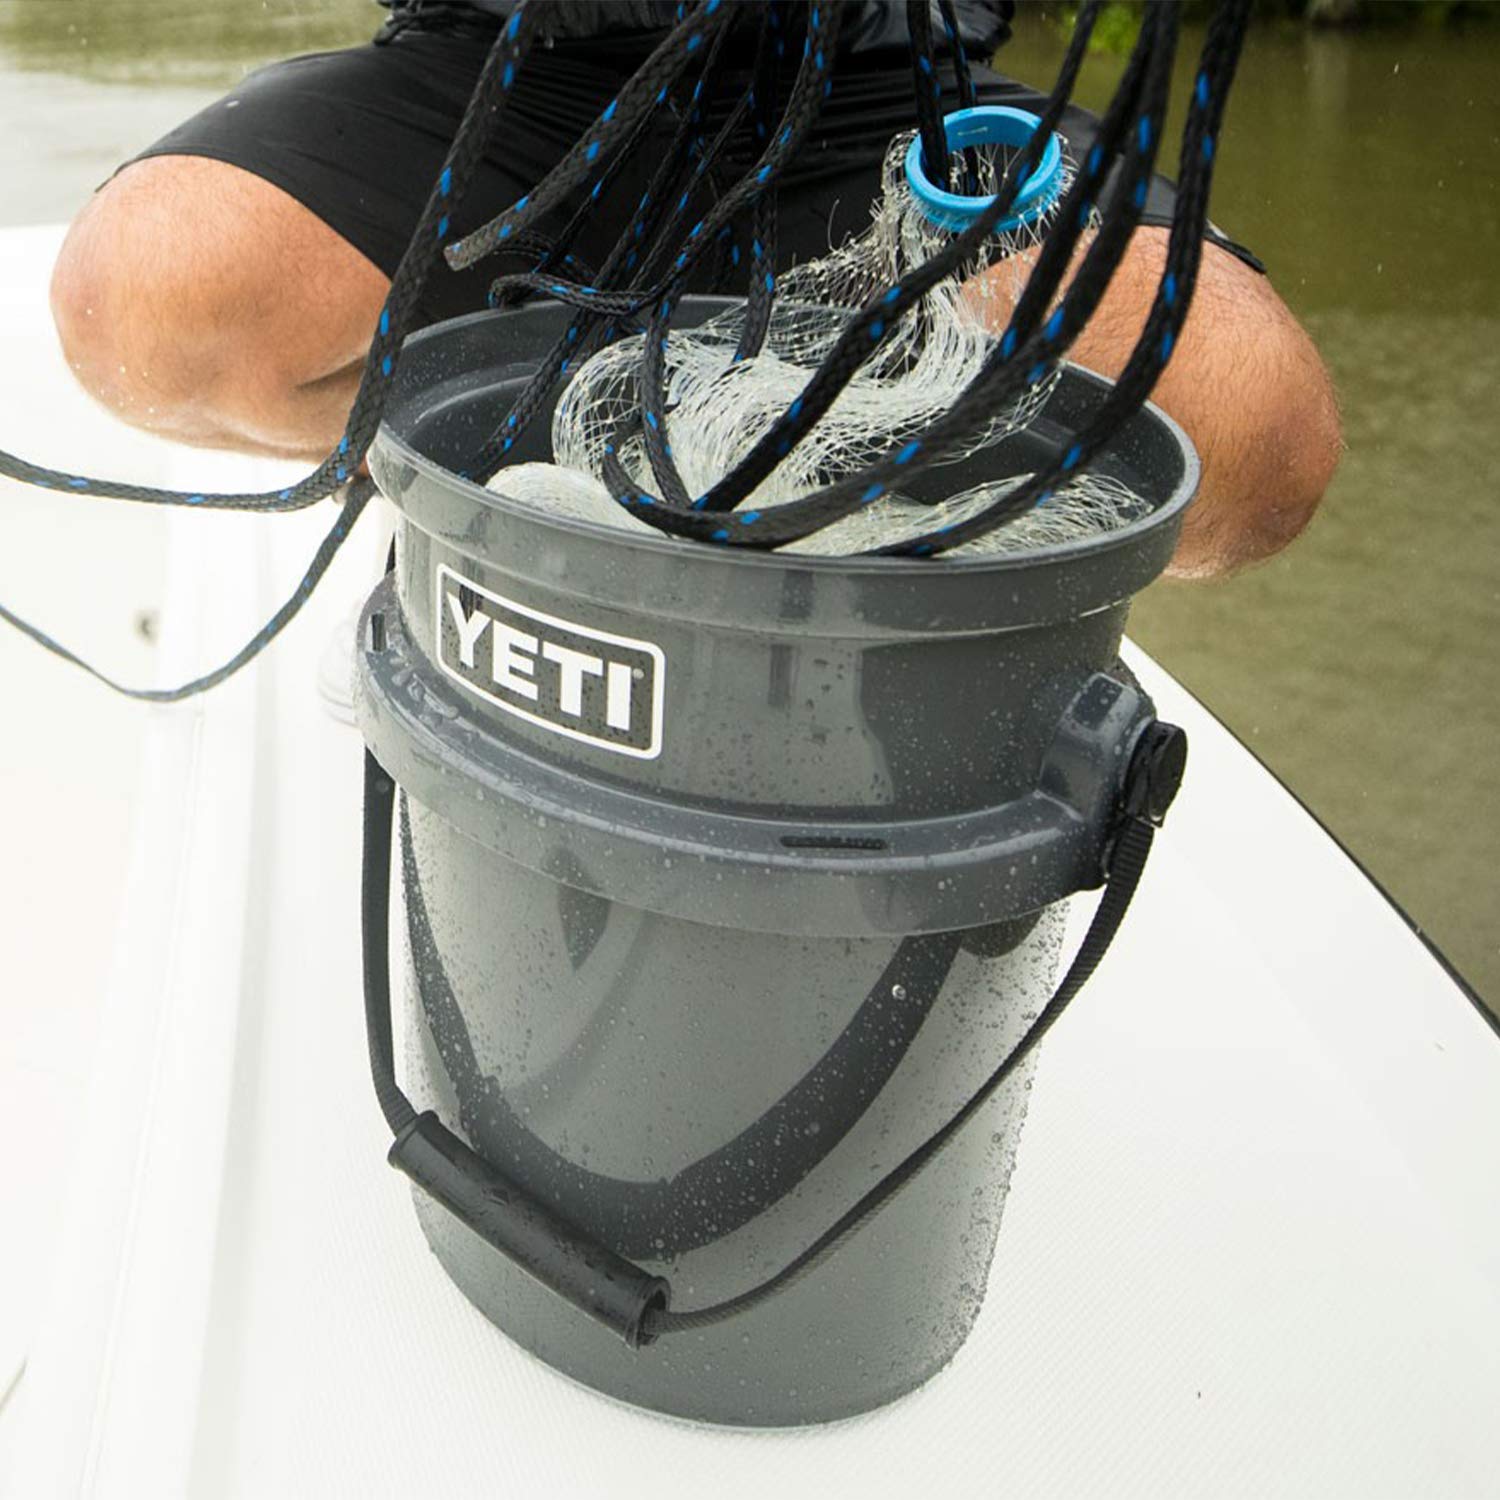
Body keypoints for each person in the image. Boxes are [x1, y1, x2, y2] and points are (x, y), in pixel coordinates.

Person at [47, 0, 1340, 578]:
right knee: (142, 305)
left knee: (1251, 437)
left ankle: (858, 581)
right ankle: (478, 535)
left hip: (885, 77)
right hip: (507, 60)